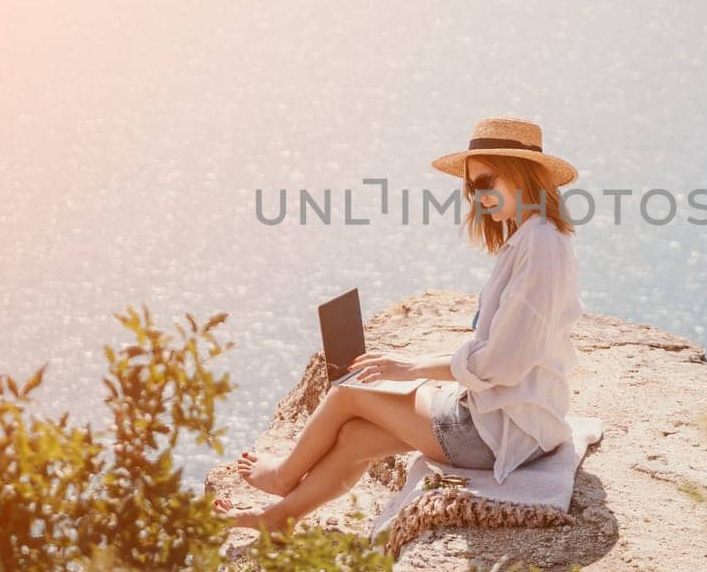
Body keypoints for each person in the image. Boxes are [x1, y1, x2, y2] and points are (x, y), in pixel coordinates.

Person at [214, 116, 583, 533]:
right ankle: (276, 520)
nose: (478, 198)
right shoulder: (535, 239)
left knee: (349, 391)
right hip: (508, 419)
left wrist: (411, 367)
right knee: (354, 437)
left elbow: (502, 363)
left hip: (497, 434)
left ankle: (282, 477)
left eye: (486, 183)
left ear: (523, 176)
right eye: (471, 187)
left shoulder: (539, 247)